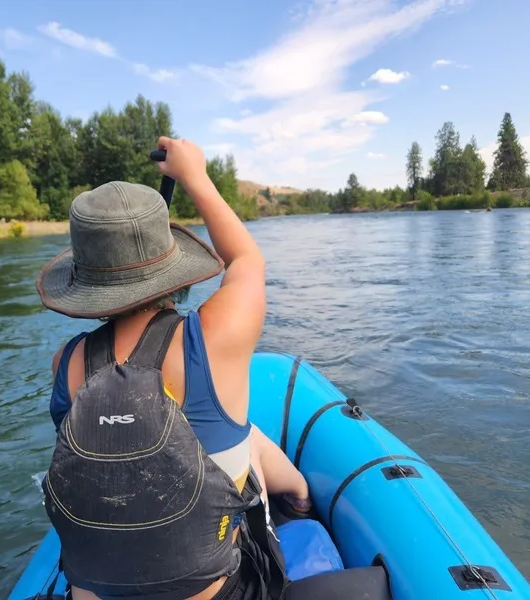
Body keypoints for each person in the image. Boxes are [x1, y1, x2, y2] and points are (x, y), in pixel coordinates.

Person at [37, 136, 313, 600]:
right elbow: (246, 261)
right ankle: (302, 499)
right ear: (172, 267)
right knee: (244, 442)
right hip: (223, 590)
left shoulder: (64, 363)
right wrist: (195, 176)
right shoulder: (214, 339)